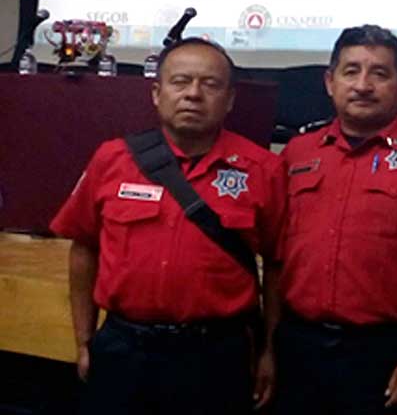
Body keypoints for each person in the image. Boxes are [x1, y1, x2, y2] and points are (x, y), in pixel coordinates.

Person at [51, 38, 285, 415]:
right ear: (157, 93)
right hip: (124, 347)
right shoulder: (112, 159)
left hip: (216, 356)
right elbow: (83, 248)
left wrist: (270, 351)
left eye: (210, 84)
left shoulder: (262, 170)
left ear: (230, 100)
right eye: (180, 81)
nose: (194, 94)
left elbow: (277, 265)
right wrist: (85, 341)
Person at [274, 25, 397, 415]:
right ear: (330, 82)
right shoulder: (297, 150)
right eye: (351, 71)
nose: (363, 85)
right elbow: (277, 259)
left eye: (379, 73)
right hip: (301, 348)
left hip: (391, 351)